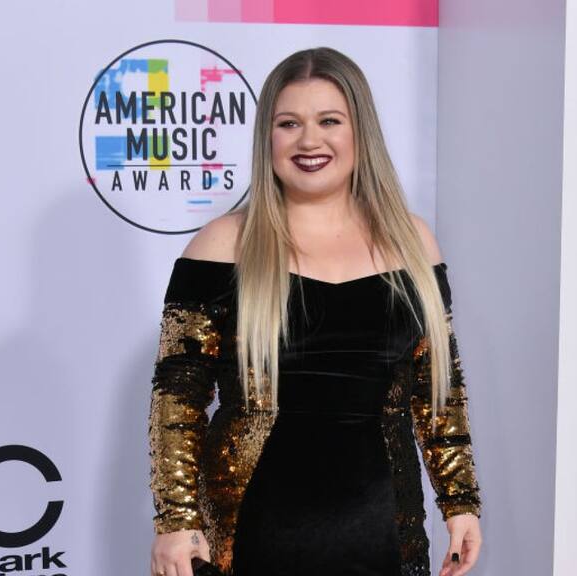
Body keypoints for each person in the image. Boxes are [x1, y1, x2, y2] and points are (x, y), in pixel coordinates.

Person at [148, 46, 483, 576]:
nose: (309, 141)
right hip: (252, 533)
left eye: (329, 121)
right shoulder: (222, 245)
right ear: (267, 137)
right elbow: (177, 400)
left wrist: (460, 501)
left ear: (360, 132)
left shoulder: (413, 242)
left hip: (383, 531)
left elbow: (437, 388)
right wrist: (176, 519)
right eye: (289, 124)